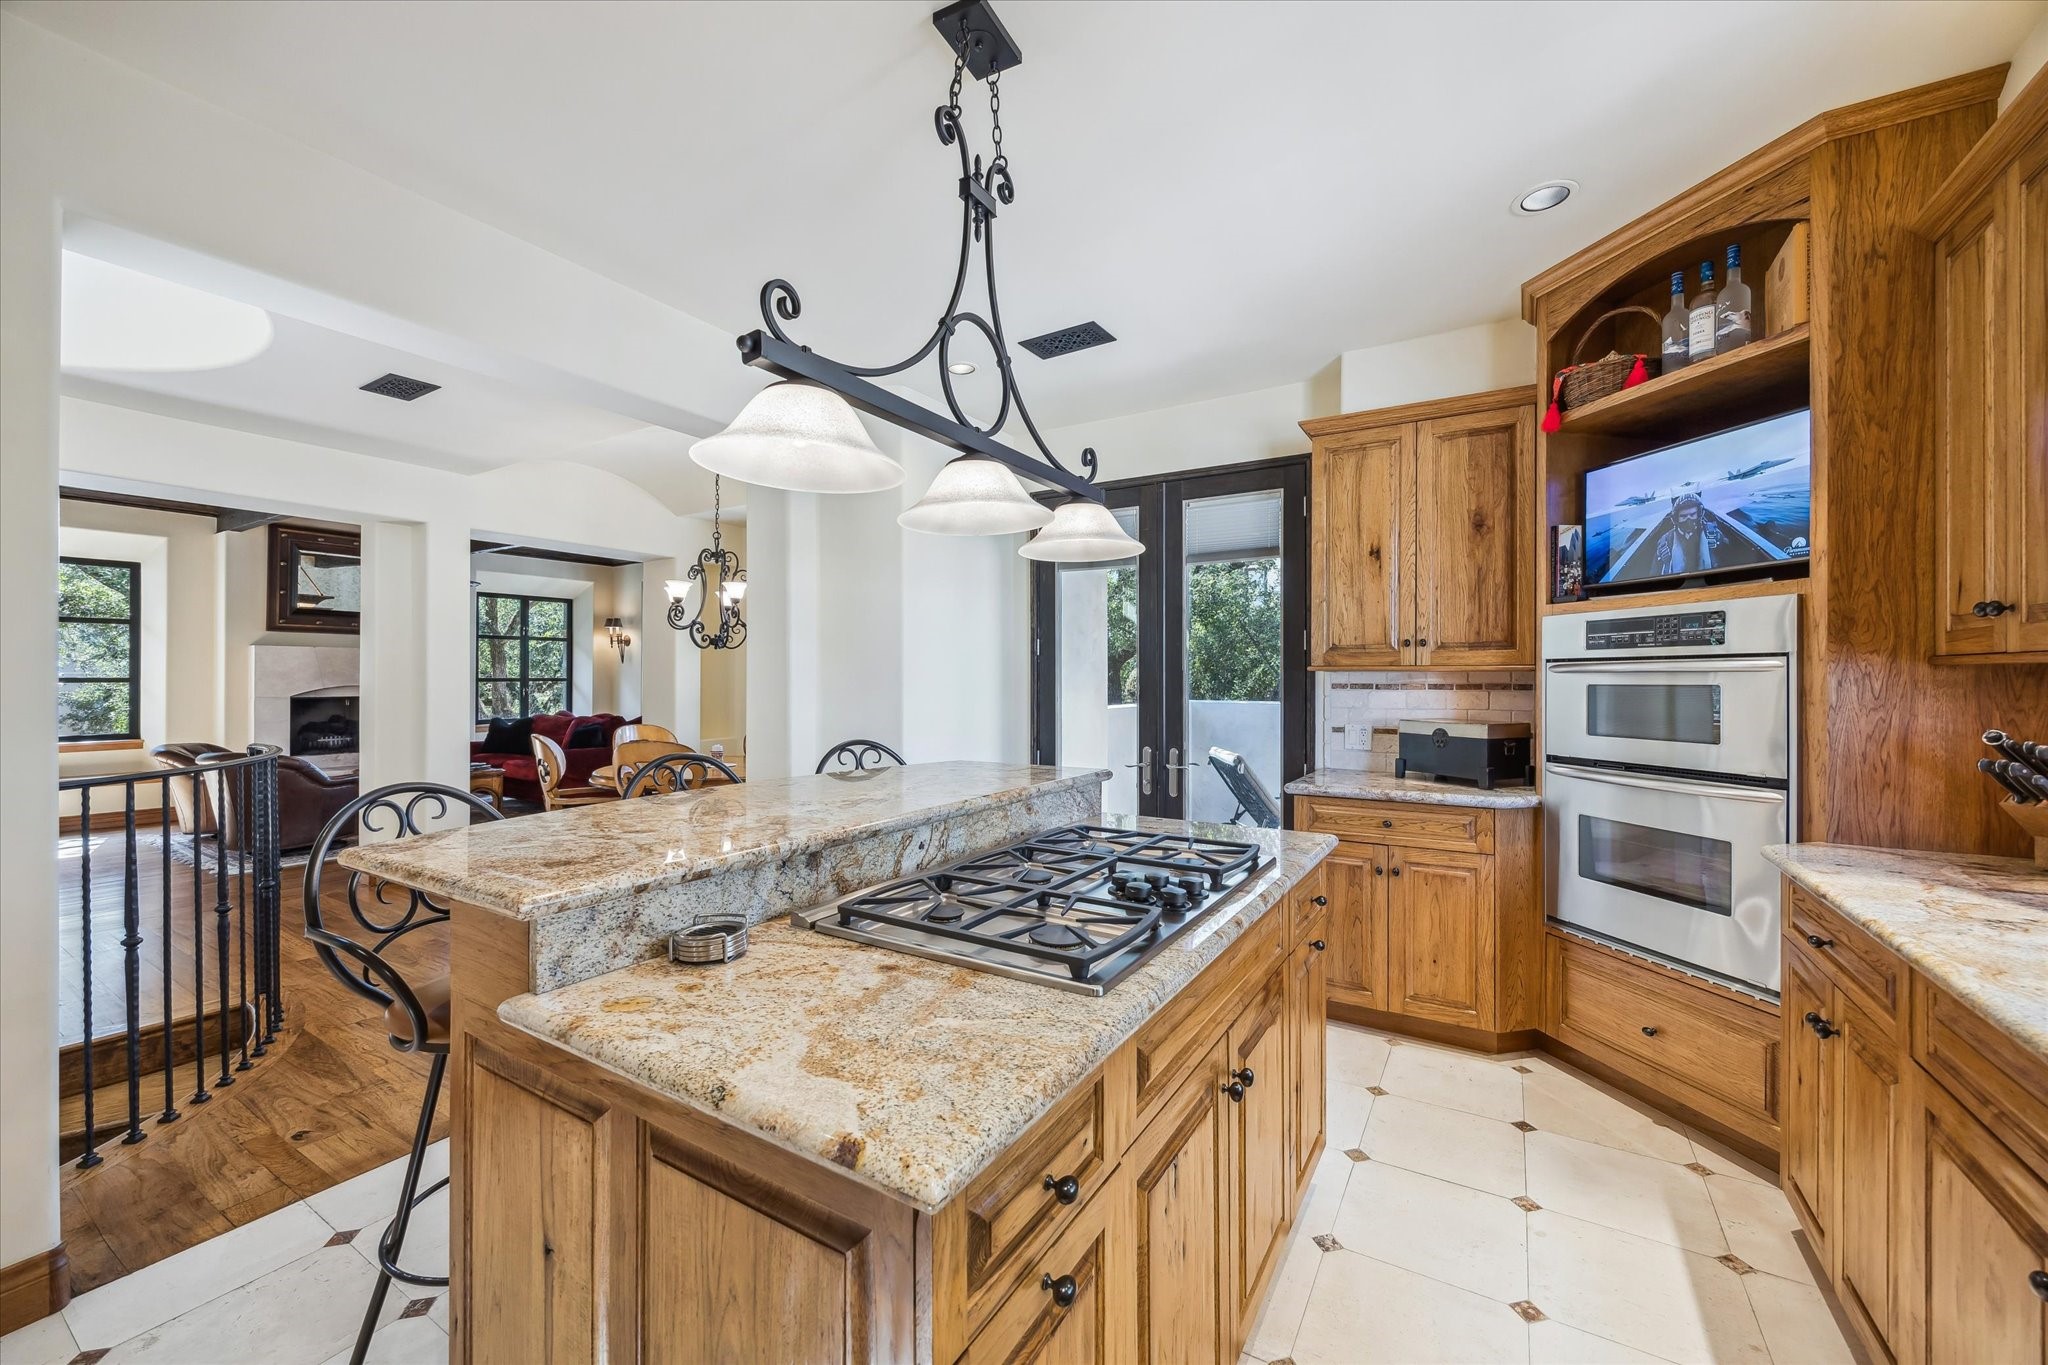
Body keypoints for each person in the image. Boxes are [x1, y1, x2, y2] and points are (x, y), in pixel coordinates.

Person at [1655, 492, 1724, 576]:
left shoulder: (1715, 535)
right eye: (1683, 516)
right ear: (1676, 518)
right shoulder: (1665, 543)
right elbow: (1654, 573)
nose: (1689, 520)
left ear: (1699, 514)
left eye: (1692, 514)